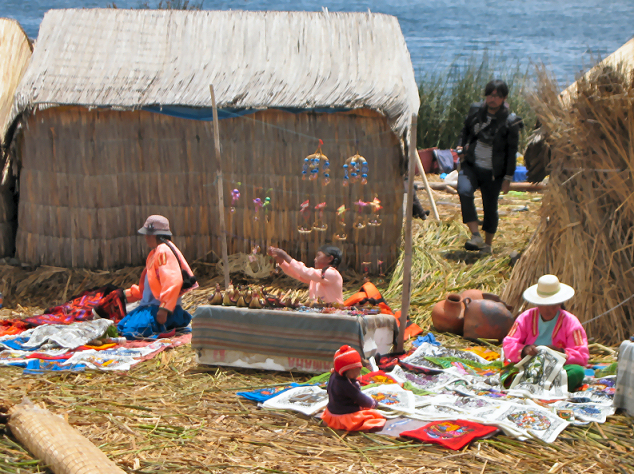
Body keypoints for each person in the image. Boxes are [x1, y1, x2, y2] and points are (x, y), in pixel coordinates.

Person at [456, 80, 522, 253]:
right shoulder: (475, 111)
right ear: (485, 95)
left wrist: (508, 178)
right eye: (490, 95)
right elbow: (464, 131)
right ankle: (475, 235)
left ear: (504, 98)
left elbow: (511, 152)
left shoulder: (510, 122)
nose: (493, 99)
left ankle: (488, 245)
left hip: (494, 172)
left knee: (490, 207)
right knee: (463, 190)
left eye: (498, 96)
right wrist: (460, 147)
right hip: (472, 165)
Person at [502, 274, 589, 391]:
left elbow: (582, 355)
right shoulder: (525, 318)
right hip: (528, 366)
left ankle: (540, 385)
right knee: (507, 373)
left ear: (559, 303)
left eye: (552, 305)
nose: (548, 310)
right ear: (537, 303)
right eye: (544, 305)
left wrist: (561, 352)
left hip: (557, 369)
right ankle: (545, 385)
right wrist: (524, 350)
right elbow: (509, 344)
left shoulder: (570, 322)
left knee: (576, 373)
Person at [117, 215, 198, 339]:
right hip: (154, 307)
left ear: (155, 235)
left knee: (131, 331)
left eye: (148, 234)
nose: (146, 237)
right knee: (122, 327)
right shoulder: (157, 252)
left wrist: (164, 309)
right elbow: (149, 286)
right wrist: (125, 295)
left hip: (159, 310)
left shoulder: (163, 251)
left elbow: (173, 280)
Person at [321, 345, 386, 431]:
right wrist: (373, 403)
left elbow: (328, 390)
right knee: (373, 416)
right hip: (344, 415)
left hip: (332, 411)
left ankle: (331, 422)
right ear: (346, 371)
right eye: (357, 369)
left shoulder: (334, 375)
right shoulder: (347, 385)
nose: (359, 371)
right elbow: (361, 399)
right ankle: (347, 425)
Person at [268, 245, 344, 304]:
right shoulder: (317, 277)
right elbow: (297, 274)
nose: (315, 259)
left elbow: (304, 272)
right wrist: (280, 260)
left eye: (318, 256)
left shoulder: (332, 273)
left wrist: (285, 256)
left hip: (333, 314)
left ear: (330, 259)